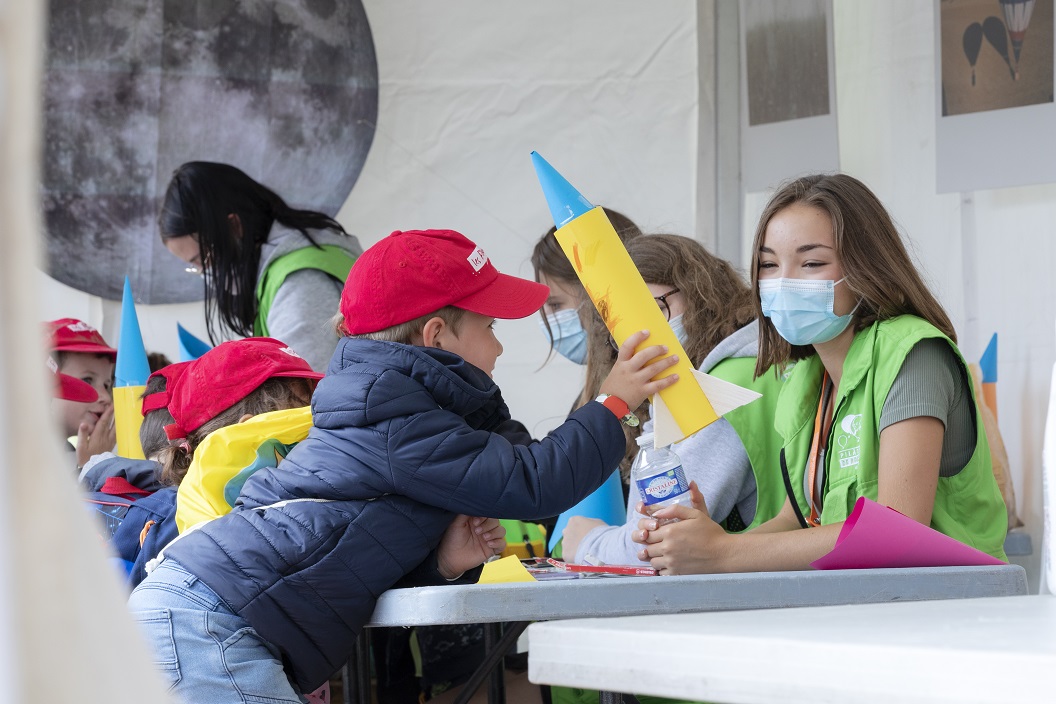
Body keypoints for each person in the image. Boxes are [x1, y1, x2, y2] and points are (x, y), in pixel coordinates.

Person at [128, 228, 678, 702]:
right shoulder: (389, 416)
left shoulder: (403, 411)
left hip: (210, 613)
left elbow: (353, 551)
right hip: (209, 620)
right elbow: (533, 479)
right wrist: (613, 403)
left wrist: (442, 561)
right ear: (437, 336)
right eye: (489, 329)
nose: (500, 350)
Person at [633, 173, 1008, 574]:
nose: (783, 282)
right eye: (768, 265)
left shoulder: (914, 354)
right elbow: (793, 520)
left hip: (954, 611)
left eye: (811, 262)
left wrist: (723, 554)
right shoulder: (805, 380)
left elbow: (899, 527)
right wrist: (703, 544)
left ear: (867, 267)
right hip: (863, 609)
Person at [561, 234, 787, 566]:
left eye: (653, 309)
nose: (639, 335)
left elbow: (659, 544)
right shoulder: (750, 364)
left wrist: (588, 543)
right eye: (621, 324)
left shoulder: (715, 390)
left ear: (701, 293)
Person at [158, 161, 363, 371]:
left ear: (234, 227)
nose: (205, 272)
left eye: (203, 259)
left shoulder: (301, 283)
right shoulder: (297, 261)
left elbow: (304, 390)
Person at [46, 318, 117, 471]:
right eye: (87, 380)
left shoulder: (72, 454)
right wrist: (91, 468)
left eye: (106, 385)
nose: (105, 397)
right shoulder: (14, 452)